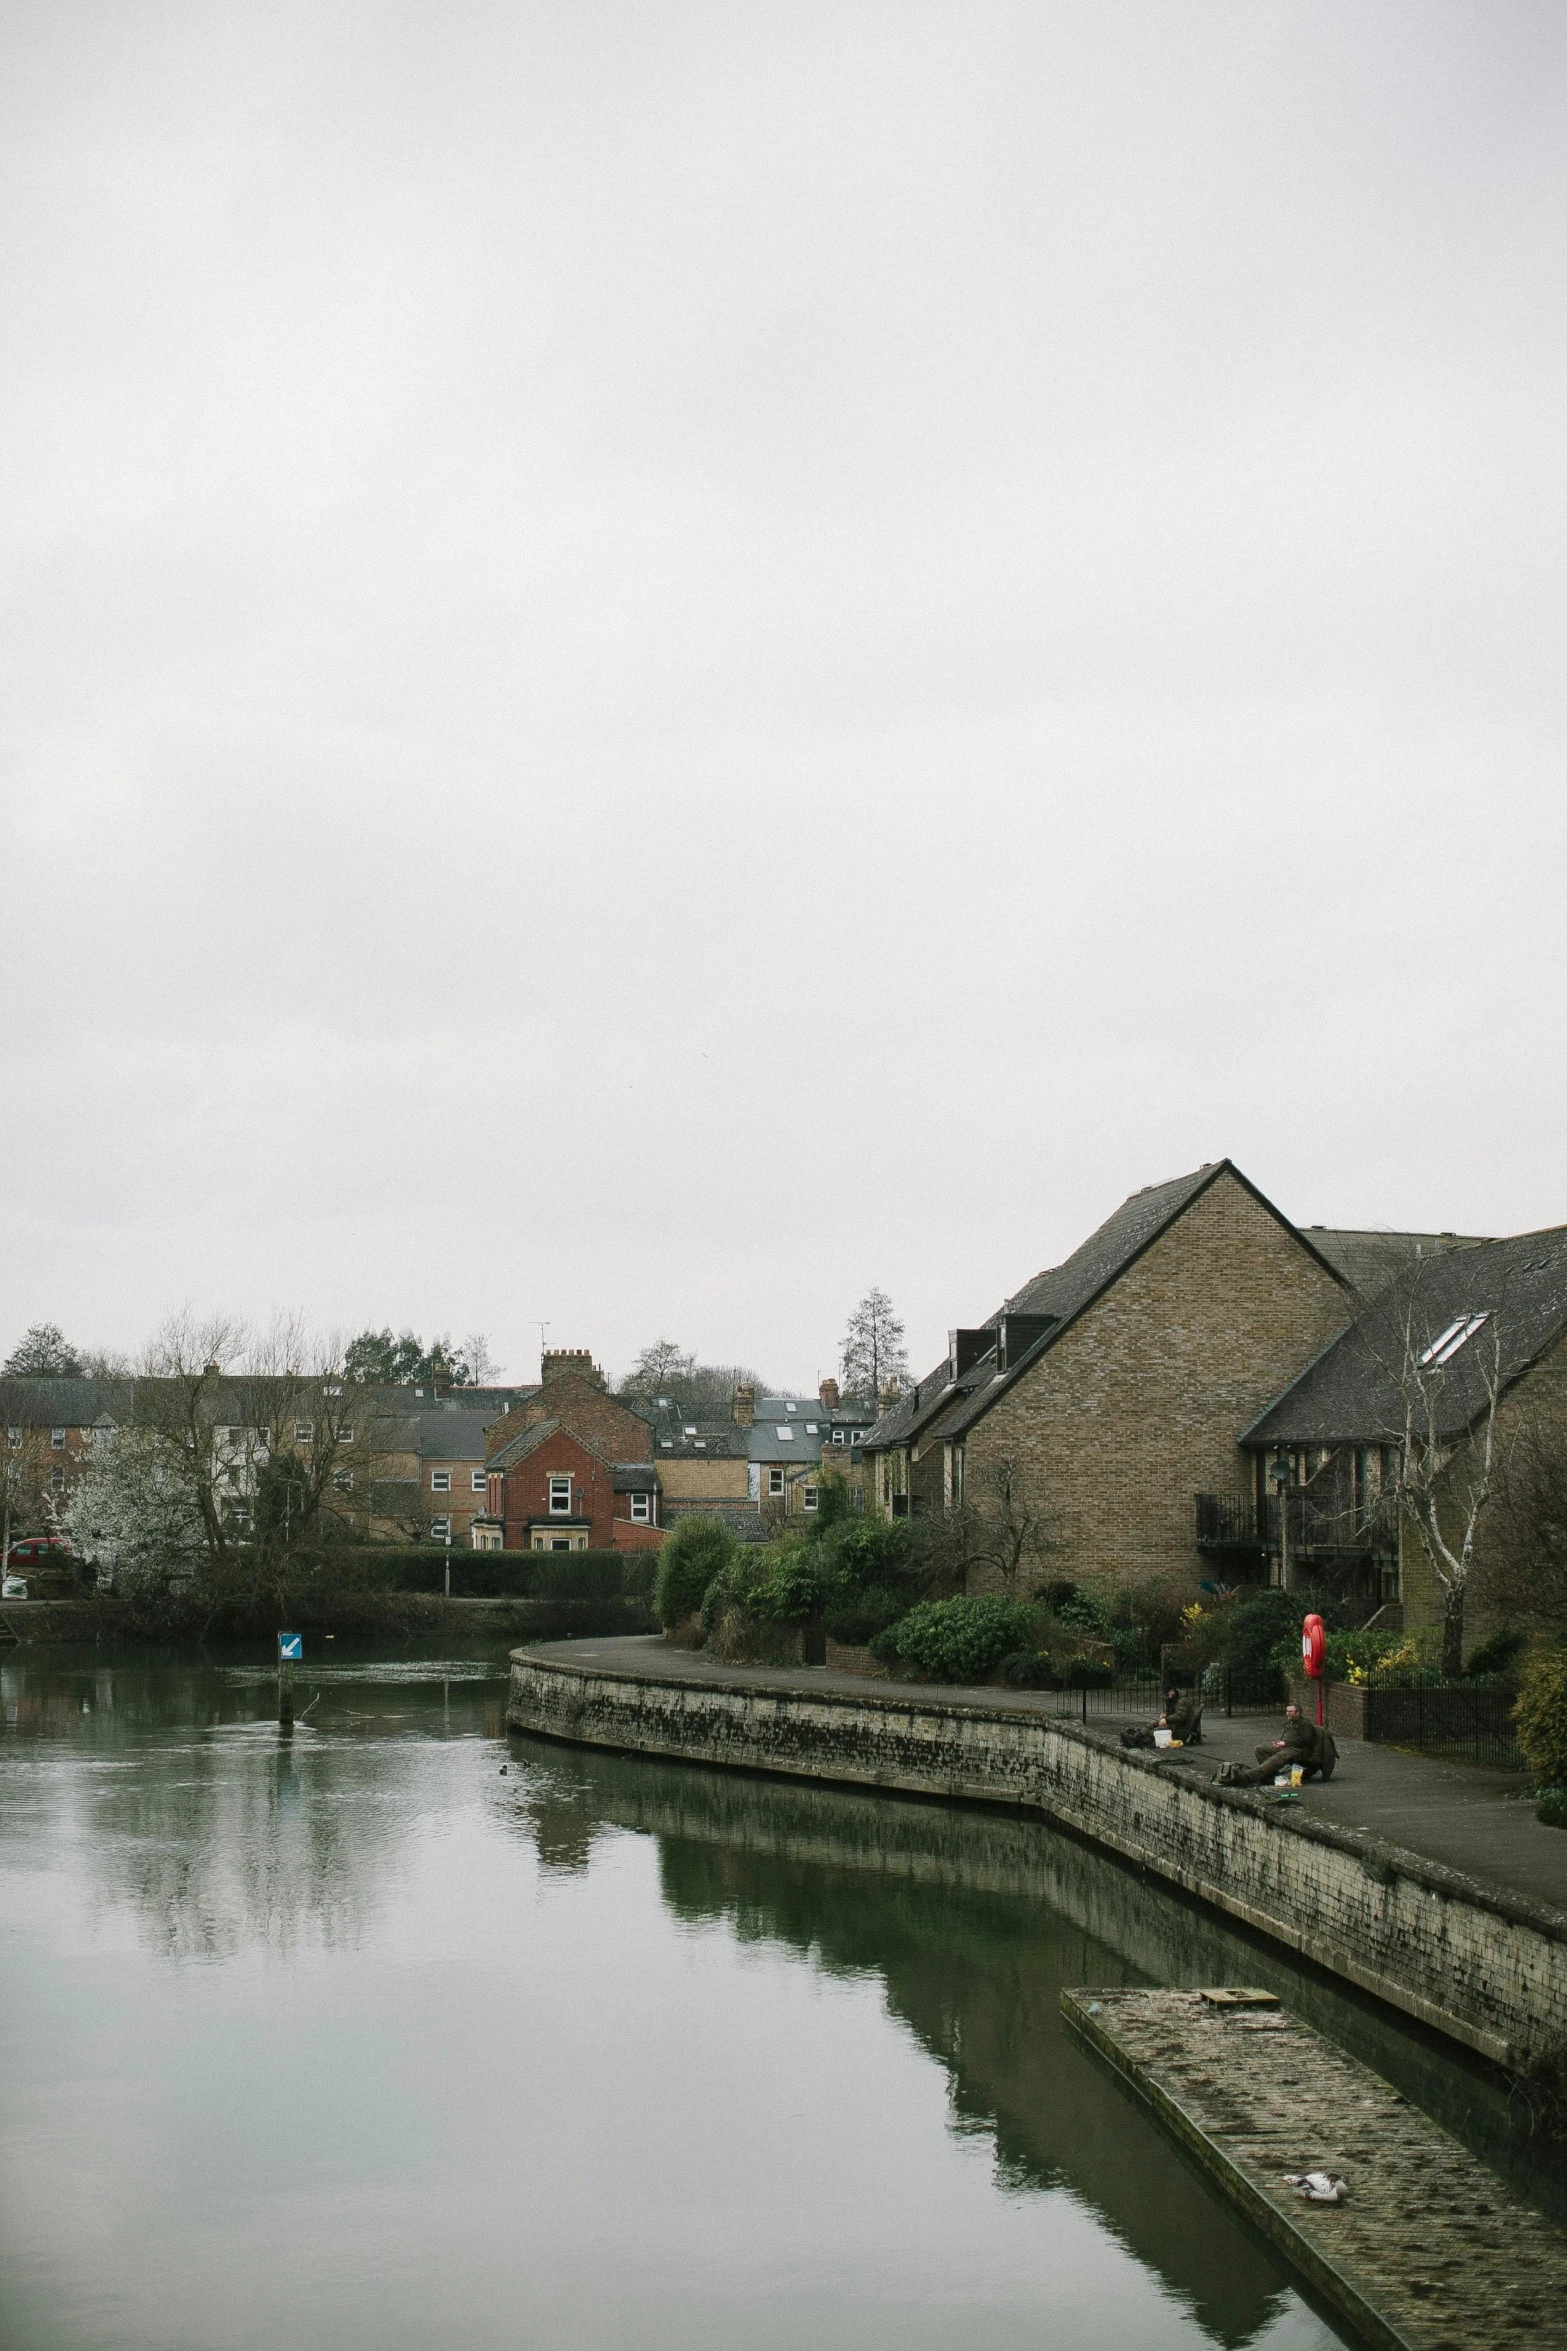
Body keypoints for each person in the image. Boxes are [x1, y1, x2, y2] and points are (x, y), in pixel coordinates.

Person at [1214, 1702, 1325, 1787]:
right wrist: (1279, 1744)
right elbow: (1287, 1738)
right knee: (1260, 1749)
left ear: (1298, 1713)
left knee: (1275, 1759)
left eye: (1291, 1711)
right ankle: (1271, 1776)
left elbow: (1305, 1740)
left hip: (1297, 1750)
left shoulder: (1305, 1724)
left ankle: (1247, 1777)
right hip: (1286, 1747)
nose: (1288, 1713)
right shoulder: (1291, 1723)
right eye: (1287, 1711)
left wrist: (1285, 1743)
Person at [1120, 1685, 1202, 1751]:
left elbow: (1181, 1716)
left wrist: (1166, 1719)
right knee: (1152, 1724)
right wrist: (1165, 1715)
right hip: (1174, 1725)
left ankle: (1138, 1741)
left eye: (1167, 1695)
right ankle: (1137, 1736)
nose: (1166, 1697)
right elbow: (1170, 1712)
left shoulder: (1182, 1701)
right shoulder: (1172, 1700)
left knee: (1155, 1732)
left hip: (1181, 1730)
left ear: (1172, 1692)